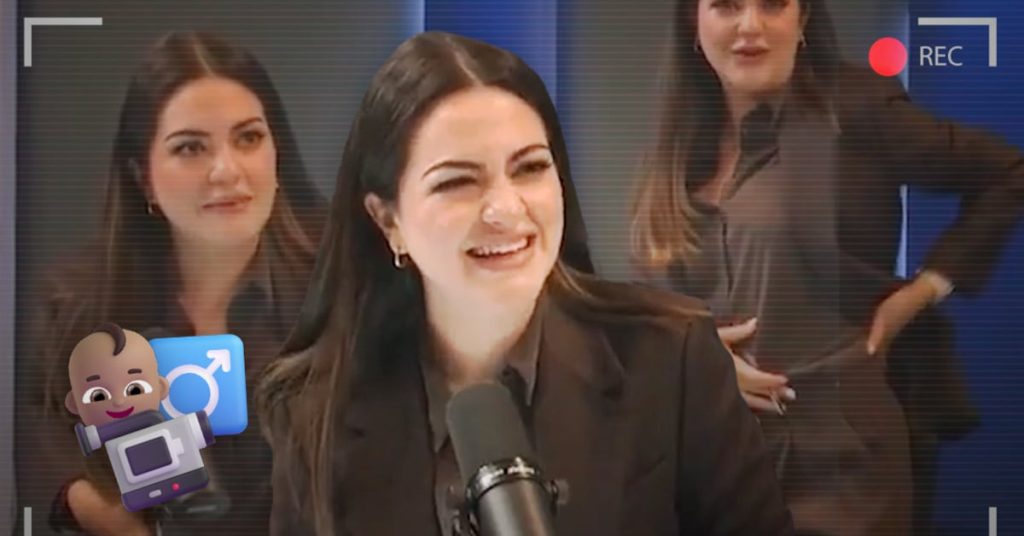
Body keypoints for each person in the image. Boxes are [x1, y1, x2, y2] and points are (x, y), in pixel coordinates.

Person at [255, 31, 793, 536]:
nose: (506, 209)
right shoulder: (313, 411)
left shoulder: (672, 359)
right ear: (387, 219)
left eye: (530, 168)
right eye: (458, 182)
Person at [630, 0, 1024, 534]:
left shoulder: (854, 109)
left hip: (839, 463)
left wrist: (925, 289)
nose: (750, 25)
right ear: (693, 24)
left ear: (804, 20)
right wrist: (694, 357)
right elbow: (654, 309)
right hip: (713, 463)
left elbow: (1007, 173)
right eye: (726, 5)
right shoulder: (677, 143)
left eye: (773, 4)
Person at [16, 31, 326, 536]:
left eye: (249, 138)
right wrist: (101, 511)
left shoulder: (342, 287)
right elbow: (43, 448)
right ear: (143, 177)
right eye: (190, 148)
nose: (226, 171)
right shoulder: (76, 303)